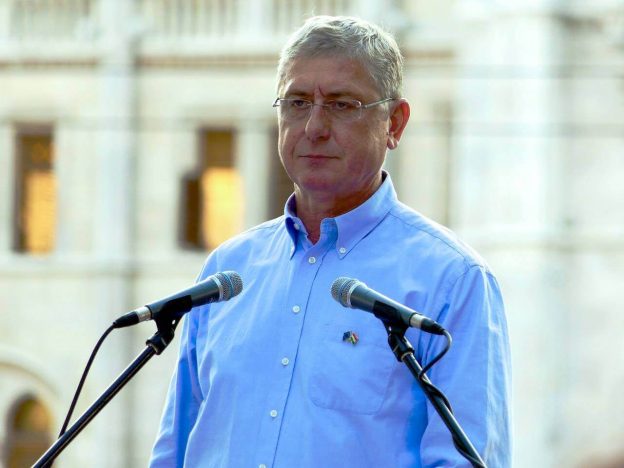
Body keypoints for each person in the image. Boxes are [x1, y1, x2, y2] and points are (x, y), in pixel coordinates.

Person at [150, 15, 511, 468]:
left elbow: (464, 460)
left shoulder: (452, 280)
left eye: (342, 105)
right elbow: (175, 451)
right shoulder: (228, 272)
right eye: (298, 102)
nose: (314, 127)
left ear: (395, 123)